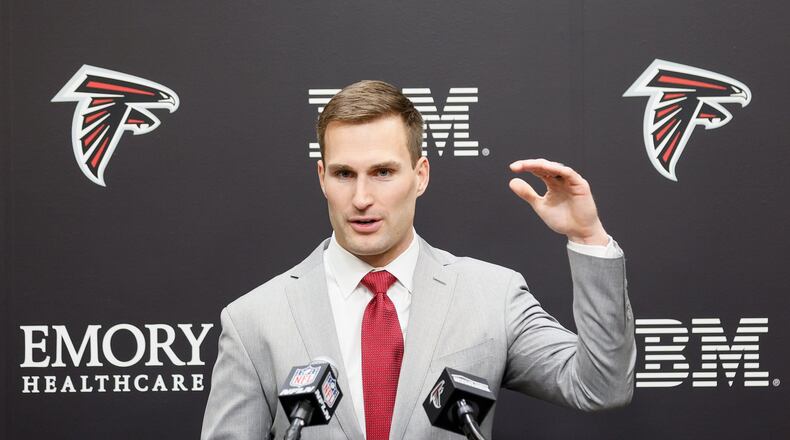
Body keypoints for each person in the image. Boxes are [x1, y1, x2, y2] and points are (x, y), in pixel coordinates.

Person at [201, 80, 635, 440]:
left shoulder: (491, 295)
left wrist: (587, 238)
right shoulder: (254, 319)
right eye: (344, 174)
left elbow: (601, 386)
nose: (362, 198)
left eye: (383, 172)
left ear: (420, 174)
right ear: (322, 178)